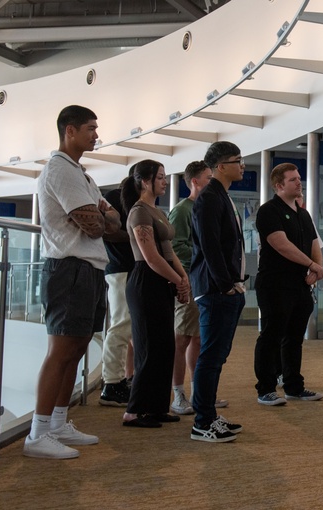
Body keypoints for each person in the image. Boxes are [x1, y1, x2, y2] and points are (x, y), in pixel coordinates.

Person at [25, 105, 120, 459]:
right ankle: (38, 432)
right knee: (61, 352)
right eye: (90, 128)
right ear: (70, 130)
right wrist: (101, 214)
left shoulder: (83, 174)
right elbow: (96, 225)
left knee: (78, 349)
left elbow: (113, 217)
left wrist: (103, 213)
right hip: (68, 269)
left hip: (89, 268)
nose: (96, 134)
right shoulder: (59, 170)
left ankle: (58, 423)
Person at [120, 159, 190, 428]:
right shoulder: (138, 212)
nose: (165, 181)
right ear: (145, 181)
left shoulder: (157, 211)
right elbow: (150, 258)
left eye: (164, 176)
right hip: (145, 280)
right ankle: (134, 411)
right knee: (149, 347)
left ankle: (157, 406)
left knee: (165, 346)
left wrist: (182, 278)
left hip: (161, 280)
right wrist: (178, 281)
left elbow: (168, 252)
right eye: (160, 177)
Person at [188, 141, 247, 442]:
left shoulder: (221, 196)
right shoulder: (209, 197)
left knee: (218, 355)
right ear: (221, 166)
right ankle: (202, 422)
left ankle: (208, 414)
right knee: (210, 356)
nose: (243, 165)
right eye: (237, 160)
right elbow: (210, 246)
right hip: (214, 290)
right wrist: (226, 285)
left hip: (225, 288)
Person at [254, 162, 323, 406]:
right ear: (279, 185)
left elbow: (315, 243)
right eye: (293, 179)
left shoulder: (303, 213)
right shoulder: (268, 211)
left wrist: (316, 267)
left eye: (299, 178)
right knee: (271, 336)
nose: (299, 182)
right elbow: (280, 244)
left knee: (295, 338)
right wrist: (312, 265)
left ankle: (294, 387)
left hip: (301, 285)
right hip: (275, 284)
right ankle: (265, 389)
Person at [167, 160, 226, 415]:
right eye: (207, 177)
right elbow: (176, 246)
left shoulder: (208, 206)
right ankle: (178, 394)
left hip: (204, 280)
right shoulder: (182, 210)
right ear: (195, 181)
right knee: (182, 338)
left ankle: (199, 392)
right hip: (189, 279)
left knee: (199, 338)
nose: (211, 181)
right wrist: (193, 269)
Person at [99, 172, 136, 407]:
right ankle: (111, 383)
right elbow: (108, 231)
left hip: (132, 269)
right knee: (121, 324)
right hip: (119, 269)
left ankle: (120, 379)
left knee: (129, 325)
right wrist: (138, 236)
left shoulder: (134, 202)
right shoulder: (114, 197)